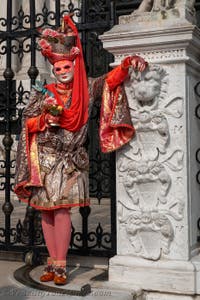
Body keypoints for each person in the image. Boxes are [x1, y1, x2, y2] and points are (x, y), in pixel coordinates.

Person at [14, 15, 147, 285]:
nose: (63, 72)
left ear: (73, 65)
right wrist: (43, 120)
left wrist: (125, 64)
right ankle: (52, 262)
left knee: (62, 211)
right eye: (58, 68)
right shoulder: (44, 92)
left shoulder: (87, 89)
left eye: (66, 67)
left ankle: (61, 266)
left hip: (71, 161)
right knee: (47, 211)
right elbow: (27, 120)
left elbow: (110, 80)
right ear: (53, 70)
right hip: (46, 159)